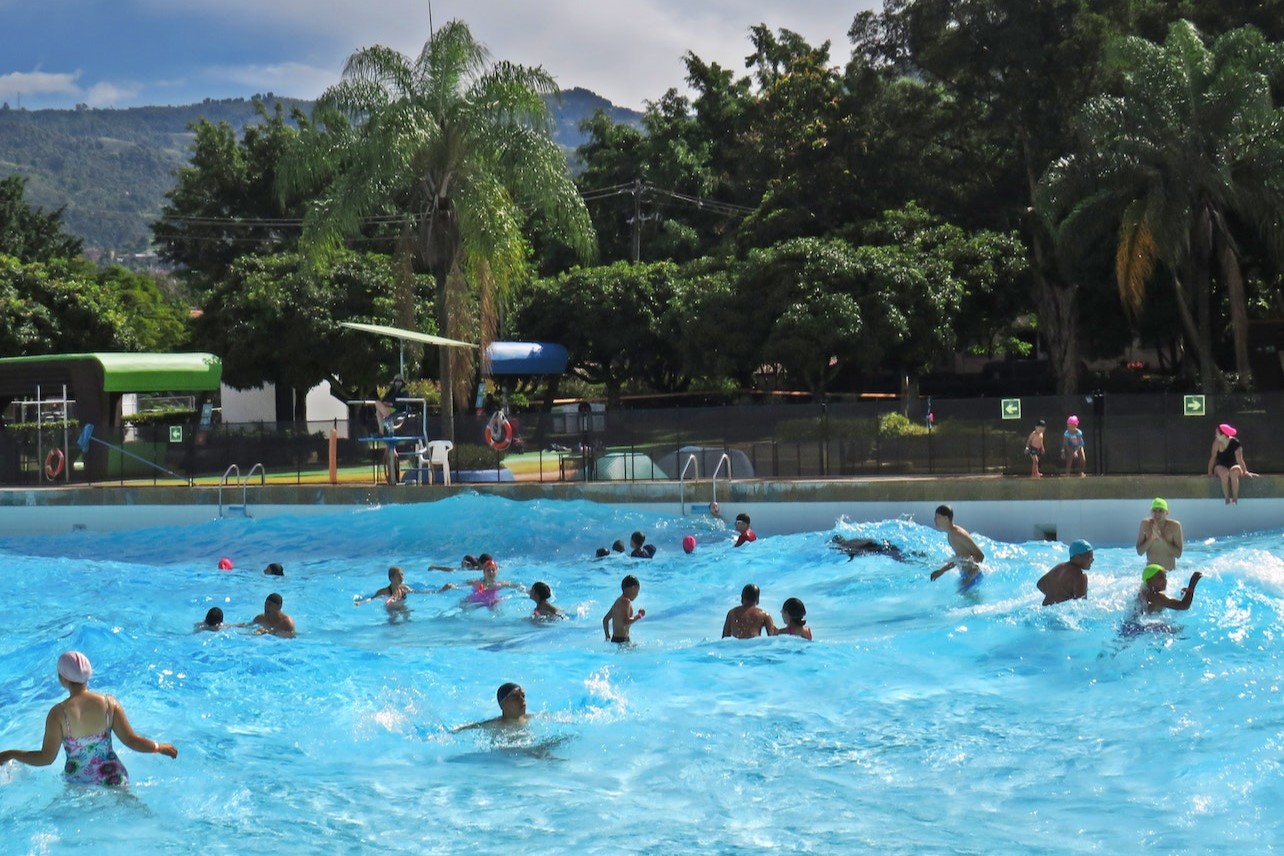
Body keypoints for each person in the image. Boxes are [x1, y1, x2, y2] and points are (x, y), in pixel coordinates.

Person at [0, 651, 178, 786]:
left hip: (79, 783)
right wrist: (158, 747)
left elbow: (46, 758)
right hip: (113, 777)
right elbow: (131, 740)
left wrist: (11, 753)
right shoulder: (109, 704)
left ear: (62, 678)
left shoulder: (58, 714)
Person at [928, 504, 985, 588]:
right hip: (966, 576)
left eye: (937, 517)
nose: (934, 519)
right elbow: (959, 558)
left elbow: (980, 556)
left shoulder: (958, 534)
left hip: (973, 577)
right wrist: (941, 571)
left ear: (946, 519)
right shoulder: (950, 535)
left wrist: (969, 577)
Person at [439, 555, 524, 608]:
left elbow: (516, 586)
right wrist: (452, 586)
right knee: (462, 605)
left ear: (496, 571)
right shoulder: (476, 582)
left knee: (496, 607)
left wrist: (525, 589)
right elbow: (460, 585)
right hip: (475, 600)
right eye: (488, 570)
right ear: (484, 572)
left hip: (492, 601)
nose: (491, 572)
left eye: (493, 570)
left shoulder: (500, 584)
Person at [355, 565, 433, 621]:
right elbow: (371, 599)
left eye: (402, 575)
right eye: (398, 575)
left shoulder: (404, 588)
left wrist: (438, 591)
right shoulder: (385, 591)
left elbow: (418, 592)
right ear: (391, 578)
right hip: (391, 608)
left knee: (407, 615)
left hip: (402, 606)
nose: (401, 577)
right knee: (393, 619)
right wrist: (360, 603)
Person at [1036, 539, 1093, 606]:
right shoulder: (1080, 575)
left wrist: (1054, 596)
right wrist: (1064, 599)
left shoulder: (1059, 567)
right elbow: (1082, 604)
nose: (1092, 559)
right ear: (1078, 557)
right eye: (1090, 557)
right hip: (1060, 612)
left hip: (1045, 607)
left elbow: (1040, 584)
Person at [1208, 423, 1254, 504]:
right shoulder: (1216, 443)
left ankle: (1235, 499)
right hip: (1220, 465)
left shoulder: (1235, 443)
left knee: (1234, 472)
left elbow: (1239, 459)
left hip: (1234, 464)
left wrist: (1245, 471)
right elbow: (1213, 457)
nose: (1216, 435)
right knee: (1224, 473)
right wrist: (1210, 472)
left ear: (1224, 435)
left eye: (1217, 433)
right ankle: (1227, 498)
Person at [455, 682, 530, 731]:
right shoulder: (495, 725)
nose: (522, 700)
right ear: (503, 705)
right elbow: (466, 728)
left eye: (523, 696)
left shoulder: (530, 719)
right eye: (515, 698)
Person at [1134, 564, 1203, 615]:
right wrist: (1192, 584)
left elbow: (1172, 603)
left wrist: (1182, 596)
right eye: (1161, 578)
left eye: (1165, 577)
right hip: (1138, 628)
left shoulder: (1146, 592)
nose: (1165, 581)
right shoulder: (1154, 596)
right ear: (1150, 581)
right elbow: (1184, 606)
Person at [1136, 498, 1183, 570]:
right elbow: (1140, 552)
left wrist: (1162, 539)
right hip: (1151, 573)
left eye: (1161, 511)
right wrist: (1151, 538)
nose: (1157, 513)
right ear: (1151, 512)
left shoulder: (1175, 526)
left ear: (1166, 513)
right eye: (1154, 510)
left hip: (1169, 573)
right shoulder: (1145, 524)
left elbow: (1178, 554)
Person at [602, 574, 644, 643]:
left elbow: (605, 620)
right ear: (633, 588)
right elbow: (626, 621)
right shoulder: (626, 601)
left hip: (615, 639)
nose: (637, 595)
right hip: (622, 640)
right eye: (637, 591)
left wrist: (608, 637)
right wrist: (639, 615)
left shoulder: (618, 601)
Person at [831, 535, 905, 562]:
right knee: (894, 551)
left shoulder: (845, 547)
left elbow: (852, 553)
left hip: (872, 548)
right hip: (874, 545)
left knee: (900, 558)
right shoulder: (853, 540)